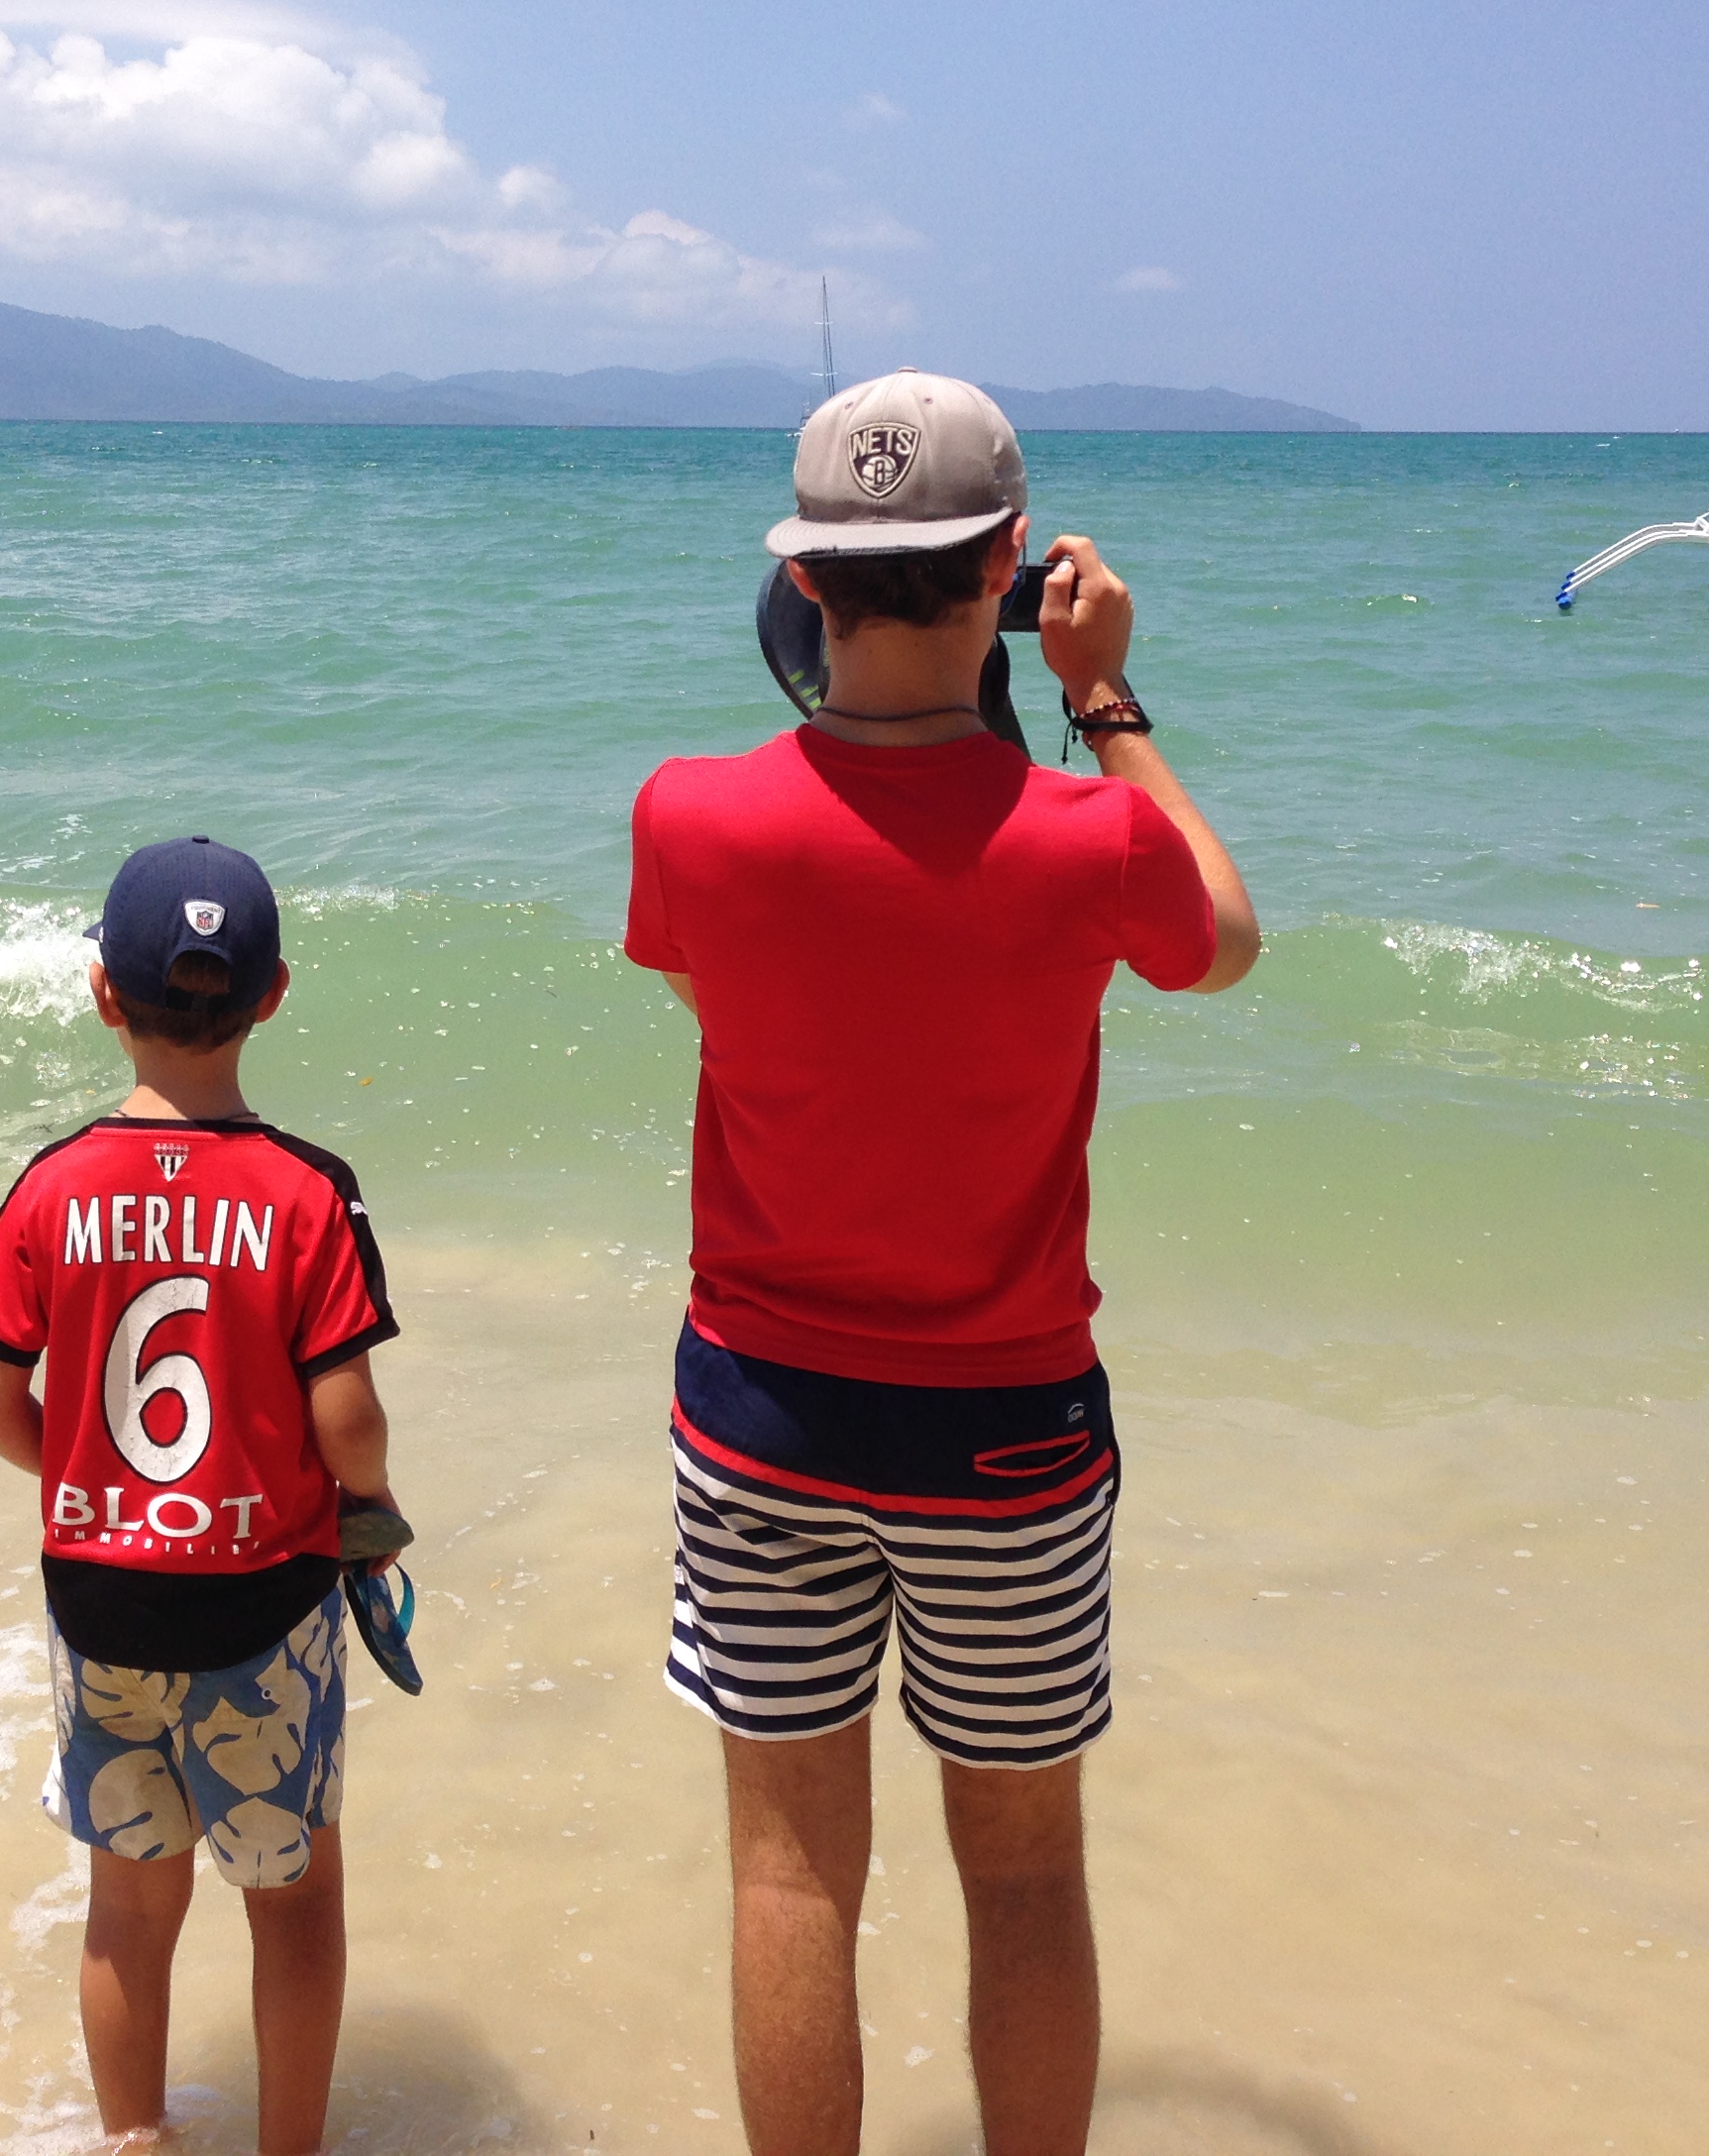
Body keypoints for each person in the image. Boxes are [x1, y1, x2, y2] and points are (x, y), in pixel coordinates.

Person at [624, 372, 1259, 2156]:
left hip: (759, 1418)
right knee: (1026, 1872)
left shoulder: (687, 816)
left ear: (803, 581)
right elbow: (1223, 938)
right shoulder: (1091, 840)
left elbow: (713, 994)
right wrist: (1101, 700)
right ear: (1011, 567)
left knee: (787, 1874)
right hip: (1005, 1440)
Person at [0, 836, 402, 2156]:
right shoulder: (311, 1193)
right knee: (294, 1903)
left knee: (128, 1913)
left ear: (104, 992)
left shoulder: (52, 1185)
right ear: (274, 994)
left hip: (102, 1608)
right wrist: (369, 1514)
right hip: (260, 1609)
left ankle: (136, 2140)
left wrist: (86, 1480)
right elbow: (348, 1420)